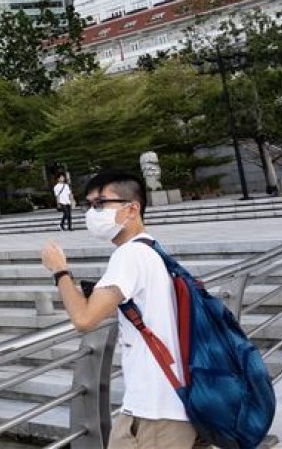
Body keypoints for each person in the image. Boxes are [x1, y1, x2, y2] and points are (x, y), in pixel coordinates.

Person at [40, 169, 195, 449]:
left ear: (132, 209)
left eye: (101, 204)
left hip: (156, 412)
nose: (92, 213)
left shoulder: (129, 255)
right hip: (171, 401)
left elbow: (84, 320)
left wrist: (60, 270)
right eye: (89, 205)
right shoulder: (152, 249)